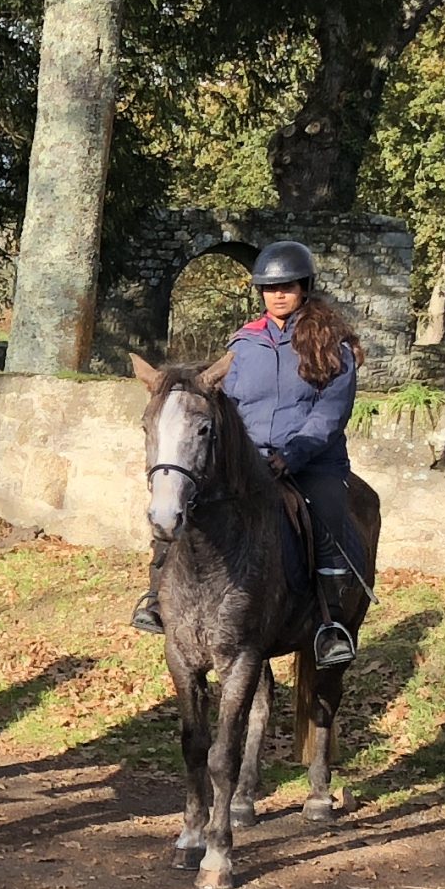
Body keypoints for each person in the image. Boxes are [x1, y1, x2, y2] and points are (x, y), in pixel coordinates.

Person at [131, 241, 367, 669]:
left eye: (287, 286)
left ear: (305, 287)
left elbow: (330, 415)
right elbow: (224, 403)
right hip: (250, 459)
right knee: (183, 499)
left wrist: (292, 456)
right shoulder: (243, 344)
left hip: (312, 462)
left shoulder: (334, 346)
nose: (277, 294)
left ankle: (331, 623)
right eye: (268, 287)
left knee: (329, 515)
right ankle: (156, 594)